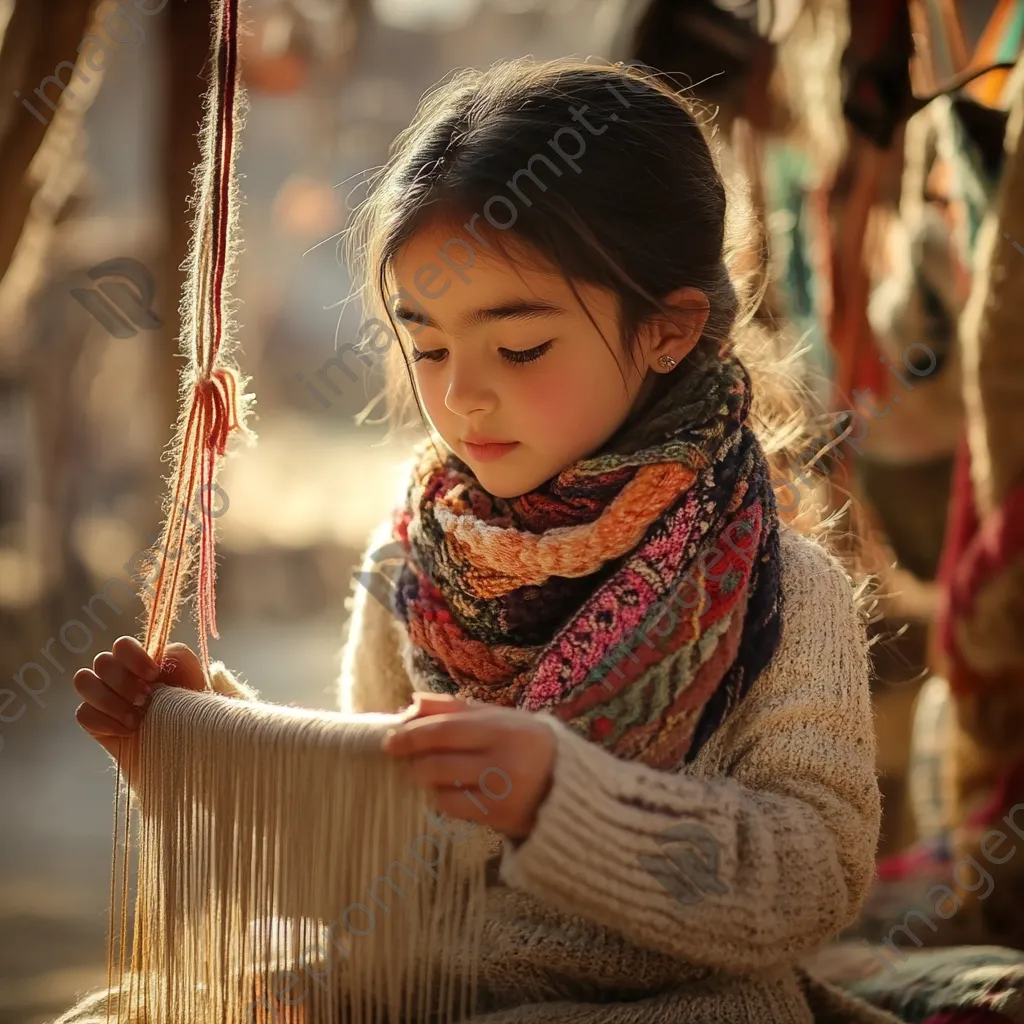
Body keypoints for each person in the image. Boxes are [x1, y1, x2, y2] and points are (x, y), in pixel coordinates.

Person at [73, 57, 900, 1024]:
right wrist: (215, 757)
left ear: (667, 331)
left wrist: (563, 799)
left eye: (519, 348)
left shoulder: (780, 591)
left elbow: (814, 880)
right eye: (427, 346)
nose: (460, 395)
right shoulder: (416, 567)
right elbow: (383, 870)